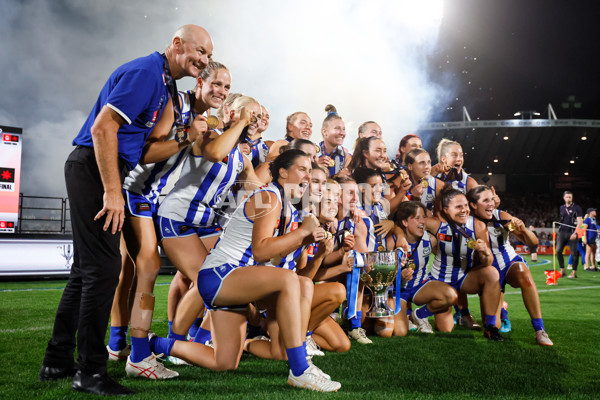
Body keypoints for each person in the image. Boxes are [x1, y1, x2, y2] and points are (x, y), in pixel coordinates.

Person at [39, 25, 213, 396]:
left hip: (101, 167)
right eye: (199, 50)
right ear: (177, 44)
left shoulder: (163, 81)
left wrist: (184, 138)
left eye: (209, 56)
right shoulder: (146, 73)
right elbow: (103, 129)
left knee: (85, 272)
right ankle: (90, 371)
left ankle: (57, 360)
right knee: (104, 270)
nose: (204, 60)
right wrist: (113, 192)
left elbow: (144, 150)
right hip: (96, 167)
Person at [146, 150, 341, 392]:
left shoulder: (284, 204)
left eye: (310, 172)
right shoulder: (270, 197)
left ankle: (151, 344)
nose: (308, 177)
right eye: (302, 169)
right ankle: (301, 369)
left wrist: (304, 239)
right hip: (222, 275)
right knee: (294, 281)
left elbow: (272, 253)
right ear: (283, 172)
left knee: (224, 362)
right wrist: (301, 233)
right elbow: (260, 252)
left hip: (234, 282)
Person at [108, 61, 230, 380]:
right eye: (216, 83)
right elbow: (147, 153)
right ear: (200, 82)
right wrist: (188, 138)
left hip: (151, 197)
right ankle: (137, 354)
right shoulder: (176, 105)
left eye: (227, 87)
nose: (221, 91)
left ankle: (120, 344)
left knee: (132, 270)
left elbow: (213, 152)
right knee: (143, 268)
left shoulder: (204, 117)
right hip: (134, 189)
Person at [157, 95, 263, 347]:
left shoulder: (241, 158)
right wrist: (241, 122)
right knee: (204, 280)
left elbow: (260, 192)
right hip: (178, 216)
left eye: (256, 116)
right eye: (248, 113)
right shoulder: (209, 135)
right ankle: (173, 344)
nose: (252, 119)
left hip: (207, 223)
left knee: (229, 276)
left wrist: (295, 203)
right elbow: (215, 153)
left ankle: (201, 338)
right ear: (228, 111)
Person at [467, 185, 553, 346]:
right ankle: (502, 309)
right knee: (492, 326)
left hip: (509, 263)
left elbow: (532, 243)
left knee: (524, 275)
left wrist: (524, 230)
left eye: (492, 199)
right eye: (485, 200)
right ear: (473, 204)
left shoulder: (501, 216)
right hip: (489, 272)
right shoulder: (467, 221)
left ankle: (540, 330)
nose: (491, 204)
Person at [421, 187, 503, 341]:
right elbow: (411, 223)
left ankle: (491, 327)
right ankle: (421, 314)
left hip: (464, 278)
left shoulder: (478, 226)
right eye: (458, 207)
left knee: (492, 272)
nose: (464, 210)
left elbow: (488, 262)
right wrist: (395, 229)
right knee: (445, 329)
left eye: (465, 205)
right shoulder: (436, 224)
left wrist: (485, 252)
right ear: (446, 209)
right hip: (440, 280)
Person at [390, 201, 457, 336]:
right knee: (400, 332)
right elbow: (382, 273)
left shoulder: (430, 239)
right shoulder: (392, 242)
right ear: (405, 222)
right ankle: (406, 315)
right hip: (398, 291)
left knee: (451, 296)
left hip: (419, 286)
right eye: (417, 218)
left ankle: (419, 315)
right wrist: (400, 275)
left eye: (424, 217)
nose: (422, 222)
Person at [316, 105, 352, 176]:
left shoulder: (345, 155)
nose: (342, 133)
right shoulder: (313, 151)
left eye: (343, 129)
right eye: (337, 128)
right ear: (324, 132)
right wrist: (315, 167)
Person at [556, 191, 583, 278]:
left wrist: (575, 233)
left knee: (574, 253)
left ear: (572, 198)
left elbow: (580, 222)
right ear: (564, 198)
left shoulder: (577, 208)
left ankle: (574, 272)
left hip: (572, 232)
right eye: (567, 197)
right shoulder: (561, 208)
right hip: (562, 232)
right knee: (558, 251)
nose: (568, 198)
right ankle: (562, 270)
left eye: (570, 197)